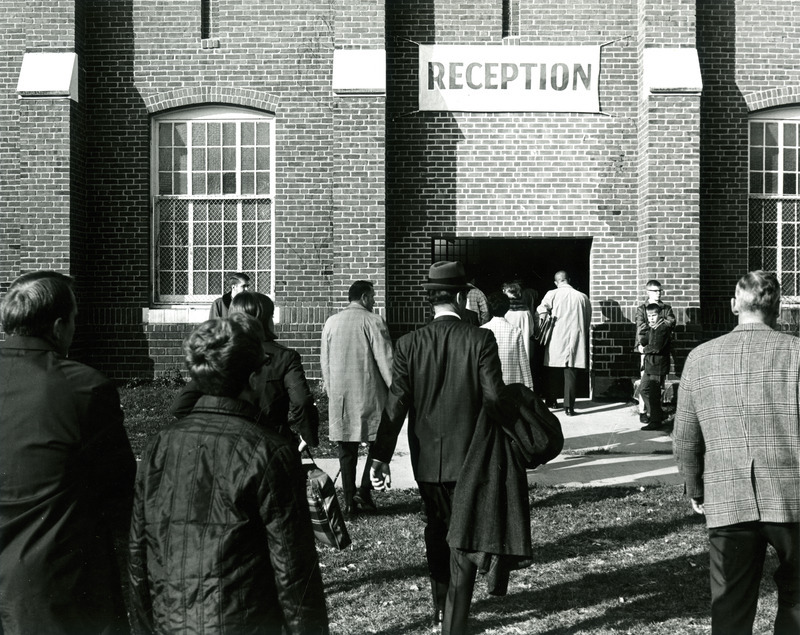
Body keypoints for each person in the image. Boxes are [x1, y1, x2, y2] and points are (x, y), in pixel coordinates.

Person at [129, 313, 329, 634]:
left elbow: (138, 555)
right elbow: (293, 571)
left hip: (173, 621)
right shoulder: (269, 451)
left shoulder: (160, 446)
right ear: (252, 380)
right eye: (263, 366)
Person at [369, 260, 505, 635]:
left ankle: (439, 610)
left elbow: (395, 404)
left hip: (426, 459)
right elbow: (495, 400)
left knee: (437, 528)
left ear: (430, 300)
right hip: (470, 456)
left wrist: (379, 456)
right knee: (463, 536)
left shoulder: (409, 344)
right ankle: (454, 621)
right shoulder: (480, 340)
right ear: (462, 297)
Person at [0, 271, 135, 635]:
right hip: (54, 582)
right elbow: (119, 489)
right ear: (59, 326)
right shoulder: (84, 388)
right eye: (74, 318)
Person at [674, 271, 800, 635]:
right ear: (777, 309)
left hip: (728, 497)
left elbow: (684, 438)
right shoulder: (796, 353)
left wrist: (695, 487)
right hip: (792, 497)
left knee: (729, 604)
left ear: (733, 306)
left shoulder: (700, 358)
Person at [171, 291, 319, 448]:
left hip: (227, 441)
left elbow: (180, 406)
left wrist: (210, 427)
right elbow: (302, 401)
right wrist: (308, 437)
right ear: (265, 319)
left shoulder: (222, 353)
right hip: (272, 441)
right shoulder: (285, 357)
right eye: (271, 316)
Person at [320, 280, 394, 516]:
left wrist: (331, 391)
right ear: (364, 297)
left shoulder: (331, 322)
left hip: (340, 395)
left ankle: (350, 499)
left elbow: (325, 361)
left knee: (346, 448)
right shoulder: (373, 321)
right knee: (377, 443)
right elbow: (386, 361)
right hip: (369, 394)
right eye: (372, 297)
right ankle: (364, 489)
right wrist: (397, 390)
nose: (374, 302)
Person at [536, 271, 591, 416]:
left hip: (556, 337)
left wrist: (543, 321)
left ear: (556, 282)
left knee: (553, 369)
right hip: (575, 338)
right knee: (571, 371)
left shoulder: (552, 294)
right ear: (569, 280)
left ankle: (552, 400)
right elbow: (587, 320)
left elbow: (542, 309)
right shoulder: (583, 297)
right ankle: (569, 406)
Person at [634, 280, 676, 424]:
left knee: (656, 386)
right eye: (655, 291)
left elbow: (671, 323)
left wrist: (657, 324)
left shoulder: (666, 307)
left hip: (659, 350)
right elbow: (641, 327)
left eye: (660, 291)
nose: (658, 293)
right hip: (646, 349)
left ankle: (656, 414)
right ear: (648, 292)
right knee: (645, 383)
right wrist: (644, 345)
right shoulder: (642, 308)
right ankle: (644, 411)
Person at [481, 291, 534, 390]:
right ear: (507, 308)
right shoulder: (515, 331)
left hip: (489, 383)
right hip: (512, 382)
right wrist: (529, 385)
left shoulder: (482, 330)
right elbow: (523, 360)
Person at [637, 303, 672, 431]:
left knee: (654, 393)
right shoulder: (653, 327)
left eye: (654, 315)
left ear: (659, 314)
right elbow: (645, 339)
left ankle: (656, 421)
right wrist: (643, 340)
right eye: (649, 316)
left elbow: (656, 347)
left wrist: (643, 349)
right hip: (649, 365)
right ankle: (658, 414)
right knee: (643, 389)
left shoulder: (662, 328)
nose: (651, 318)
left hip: (657, 365)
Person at [502, 281, 535, 363]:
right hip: (523, 347)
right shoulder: (526, 312)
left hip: (507, 348)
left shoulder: (505, 312)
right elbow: (531, 331)